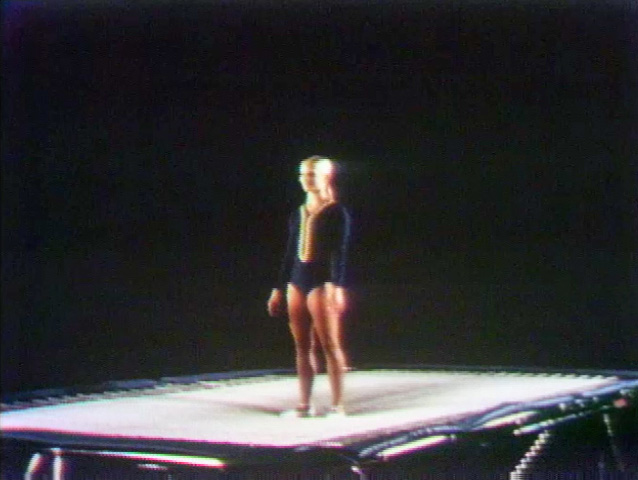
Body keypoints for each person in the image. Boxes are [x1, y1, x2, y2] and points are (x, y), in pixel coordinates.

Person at [267, 156, 351, 417]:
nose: (305, 179)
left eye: (311, 174)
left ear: (326, 176)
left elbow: (340, 252)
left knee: (330, 345)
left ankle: (338, 405)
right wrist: (278, 288)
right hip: (297, 281)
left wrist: (337, 286)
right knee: (302, 347)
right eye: (302, 174)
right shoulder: (298, 213)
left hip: (321, 283)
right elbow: (289, 253)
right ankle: (304, 403)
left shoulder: (336, 212)